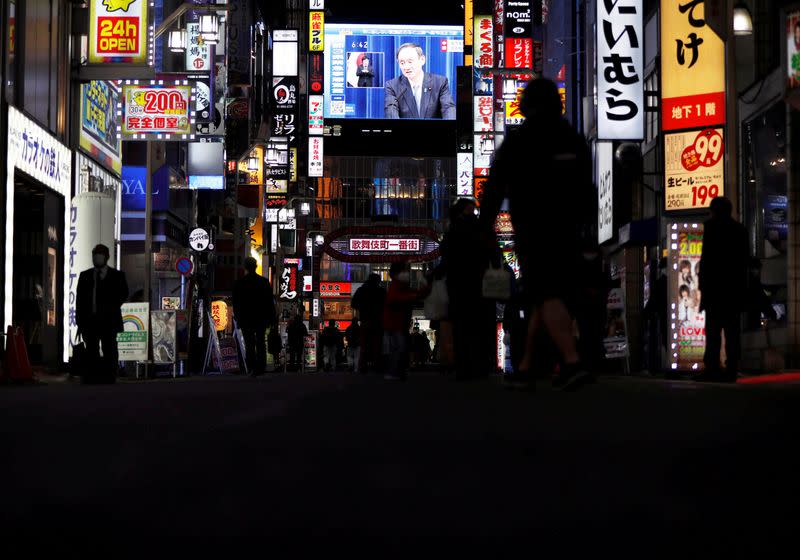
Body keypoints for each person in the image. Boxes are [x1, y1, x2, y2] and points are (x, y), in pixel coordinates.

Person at [481, 78, 595, 391]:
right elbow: (588, 189)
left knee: (546, 292)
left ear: (526, 106)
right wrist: (588, 232)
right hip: (569, 228)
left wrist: (485, 223)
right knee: (542, 294)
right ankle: (528, 366)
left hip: (533, 227)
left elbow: (495, 186)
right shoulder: (572, 138)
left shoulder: (520, 140)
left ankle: (572, 362)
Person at [438, 198, 495, 380]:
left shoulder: (453, 231)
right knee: (481, 327)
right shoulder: (481, 229)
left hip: (458, 285)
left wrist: (434, 276)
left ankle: (463, 368)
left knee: (461, 328)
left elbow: (445, 259)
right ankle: (482, 366)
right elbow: (494, 253)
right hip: (481, 284)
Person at [696, 196, 749, 382]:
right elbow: (743, 264)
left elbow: (707, 261)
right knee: (732, 332)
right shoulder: (740, 230)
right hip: (733, 291)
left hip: (714, 291)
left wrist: (703, 286)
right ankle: (731, 368)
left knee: (713, 332)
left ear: (714, 211)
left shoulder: (711, 228)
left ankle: (712, 368)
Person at [75, 244, 129, 383]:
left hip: (109, 321)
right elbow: (80, 300)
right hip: (90, 321)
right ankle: (92, 376)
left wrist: (111, 306)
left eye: (100, 254)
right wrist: (80, 322)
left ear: (107, 257)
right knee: (91, 350)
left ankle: (110, 375)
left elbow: (124, 294)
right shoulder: (85, 275)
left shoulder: (117, 276)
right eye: (95, 254)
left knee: (109, 348)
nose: (97, 257)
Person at [382, 262, 429, 381]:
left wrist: (423, 286)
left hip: (398, 323)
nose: (408, 273)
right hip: (396, 323)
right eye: (406, 270)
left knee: (399, 348)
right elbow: (396, 299)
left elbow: (417, 295)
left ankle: (397, 372)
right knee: (399, 348)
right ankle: (394, 372)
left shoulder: (400, 285)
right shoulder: (398, 286)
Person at [384, 43, 456, 119]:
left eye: (410, 61)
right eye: (402, 63)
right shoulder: (392, 86)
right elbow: (390, 111)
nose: (406, 67)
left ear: (422, 60)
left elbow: (448, 109)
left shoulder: (440, 82)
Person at [232, 257, 276, 376]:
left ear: (245, 267)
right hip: (261, 317)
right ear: (256, 266)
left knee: (249, 342)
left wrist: (238, 317)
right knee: (261, 341)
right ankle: (261, 366)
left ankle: (251, 366)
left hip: (246, 318)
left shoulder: (240, 283)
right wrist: (272, 318)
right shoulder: (264, 282)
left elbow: (236, 302)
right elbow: (269, 302)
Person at [351, 273, 386, 373]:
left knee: (364, 345)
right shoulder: (381, 291)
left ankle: (362, 367)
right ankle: (377, 366)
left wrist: (363, 308)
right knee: (377, 345)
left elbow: (353, 303)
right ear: (378, 281)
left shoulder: (361, 290)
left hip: (365, 320)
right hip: (378, 321)